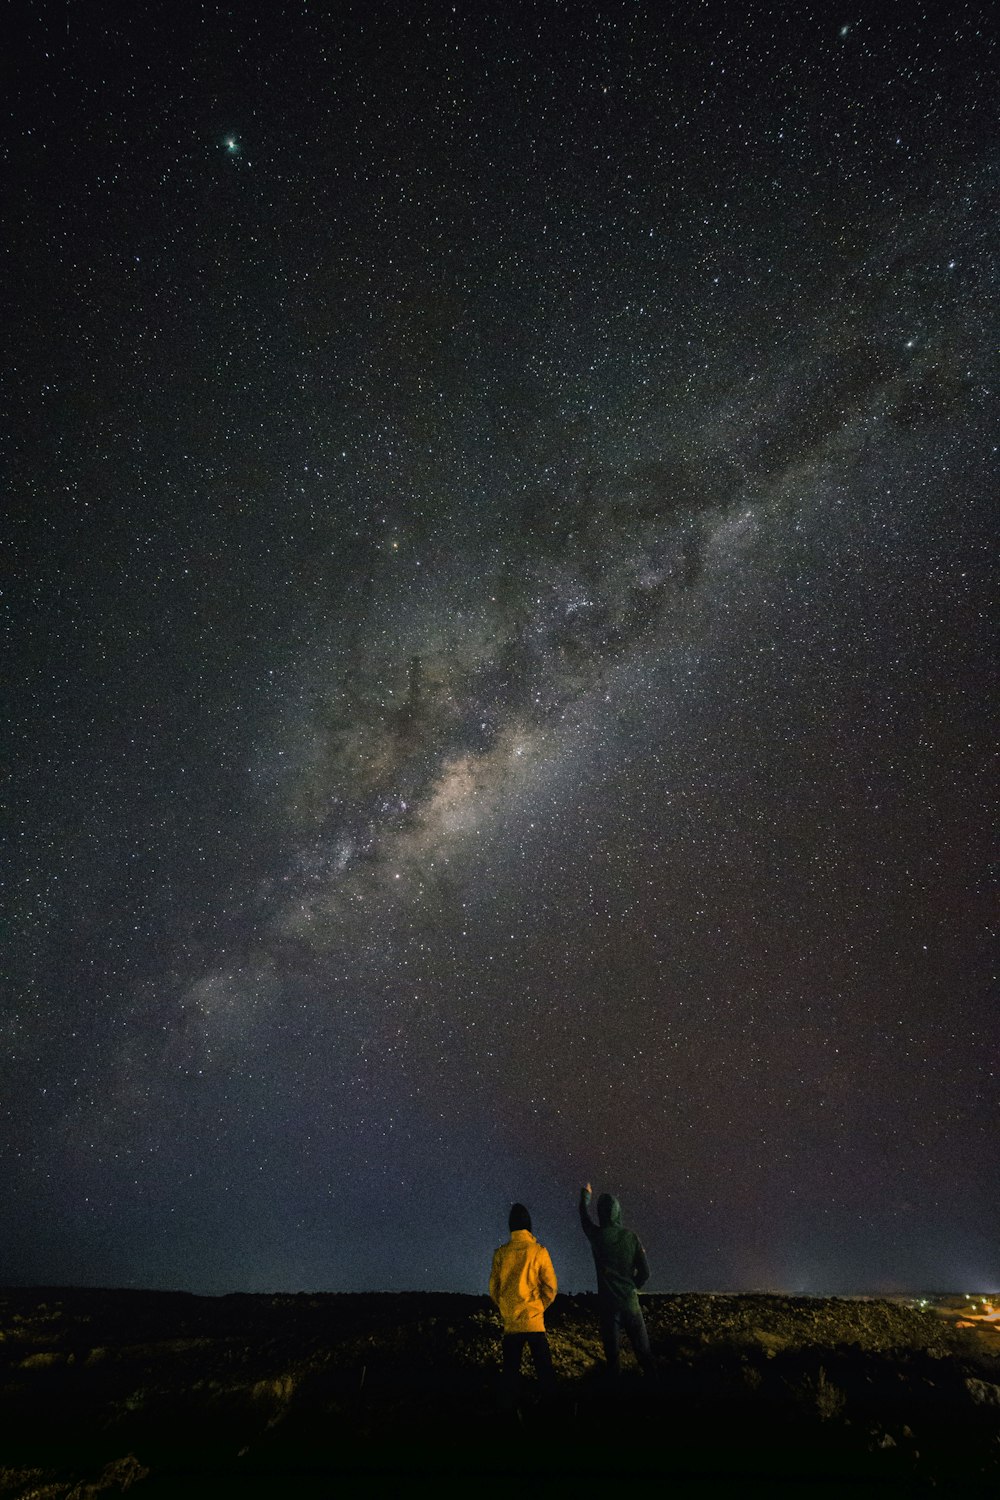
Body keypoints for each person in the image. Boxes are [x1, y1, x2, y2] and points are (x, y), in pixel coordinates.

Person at [578, 1182, 654, 1377]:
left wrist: (585, 1197)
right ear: (618, 1211)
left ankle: (617, 1400)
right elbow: (645, 1272)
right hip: (630, 1304)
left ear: (601, 1213)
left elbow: (584, 1219)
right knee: (645, 1357)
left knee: (613, 1361)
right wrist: (632, 1286)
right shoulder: (631, 1237)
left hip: (608, 1307)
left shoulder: (597, 1236)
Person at [489, 1203, 558, 1399]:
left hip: (511, 1323)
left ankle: (510, 1413)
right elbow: (551, 1288)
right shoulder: (539, 1252)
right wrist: (539, 1307)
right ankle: (554, 1415)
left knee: (510, 1374)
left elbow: (494, 1288)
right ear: (529, 1225)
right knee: (546, 1374)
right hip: (535, 1322)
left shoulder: (501, 1254)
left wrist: (505, 1307)